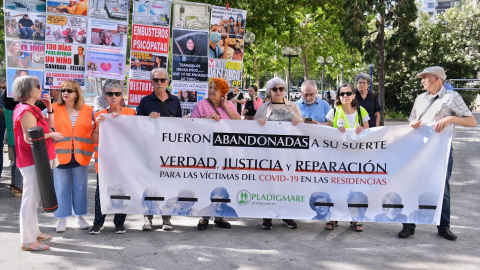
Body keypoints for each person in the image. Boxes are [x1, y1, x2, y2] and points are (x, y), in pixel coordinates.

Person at [398, 66, 476, 241]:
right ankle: (409, 225)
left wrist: (451, 119)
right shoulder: (420, 98)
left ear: (436, 78)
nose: (422, 81)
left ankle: (444, 227)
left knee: (442, 188)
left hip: (441, 151)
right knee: (413, 185)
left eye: (424, 77)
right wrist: (413, 124)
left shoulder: (452, 97)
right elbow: (411, 119)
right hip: (418, 150)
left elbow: (471, 122)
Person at [13, 76, 62, 251]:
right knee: (30, 200)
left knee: (33, 199)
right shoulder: (25, 110)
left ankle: (33, 231)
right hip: (32, 160)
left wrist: (49, 109)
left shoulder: (31, 108)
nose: (41, 89)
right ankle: (27, 240)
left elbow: (48, 127)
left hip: (38, 160)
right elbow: (30, 138)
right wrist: (52, 136)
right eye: (38, 86)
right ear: (28, 89)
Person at [191, 78, 241, 230]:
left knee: (222, 183)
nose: (211, 90)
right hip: (206, 152)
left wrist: (225, 106)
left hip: (225, 153)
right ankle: (204, 217)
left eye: (215, 89)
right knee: (207, 182)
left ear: (223, 93)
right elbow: (191, 124)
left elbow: (240, 122)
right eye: (210, 87)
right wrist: (207, 119)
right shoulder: (201, 104)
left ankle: (219, 217)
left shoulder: (229, 105)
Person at [137, 68, 182, 231]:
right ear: (151, 82)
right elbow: (137, 125)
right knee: (149, 184)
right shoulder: (145, 101)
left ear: (168, 82)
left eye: (162, 80)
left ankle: (166, 219)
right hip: (150, 150)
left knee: (166, 183)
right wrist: (148, 120)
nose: (159, 83)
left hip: (168, 151)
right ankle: (147, 218)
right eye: (156, 80)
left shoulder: (175, 101)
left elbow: (180, 126)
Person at [255, 77, 302, 230]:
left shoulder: (293, 106)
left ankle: (286, 215)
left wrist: (298, 121)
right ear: (269, 91)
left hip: (288, 154)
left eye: (281, 89)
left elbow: (302, 129)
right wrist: (259, 122)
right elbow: (253, 129)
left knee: (286, 184)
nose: (278, 92)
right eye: (274, 89)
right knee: (268, 184)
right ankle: (267, 215)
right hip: (268, 153)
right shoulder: (263, 108)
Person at [90, 80, 135, 234]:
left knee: (122, 190)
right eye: (110, 94)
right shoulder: (99, 115)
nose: (114, 96)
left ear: (122, 96)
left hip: (124, 162)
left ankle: (119, 223)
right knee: (100, 192)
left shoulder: (131, 113)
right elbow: (95, 140)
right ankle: (98, 222)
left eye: (117, 93)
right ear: (105, 97)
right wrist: (98, 126)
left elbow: (136, 135)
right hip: (105, 162)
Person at [324, 83, 369, 232]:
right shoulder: (333, 112)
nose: (345, 96)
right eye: (342, 94)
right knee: (335, 186)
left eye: (348, 93)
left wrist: (361, 131)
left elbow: (369, 135)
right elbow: (326, 133)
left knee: (355, 188)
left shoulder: (361, 111)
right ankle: (334, 218)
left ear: (353, 95)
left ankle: (355, 219)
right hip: (337, 156)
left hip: (356, 157)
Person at [52, 80, 94, 233]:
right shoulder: (53, 108)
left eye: (69, 90)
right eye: (63, 90)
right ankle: (62, 218)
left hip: (81, 155)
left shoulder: (88, 110)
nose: (65, 93)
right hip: (60, 155)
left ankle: (80, 217)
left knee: (80, 187)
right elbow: (41, 124)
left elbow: (98, 127)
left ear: (77, 93)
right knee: (61, 187)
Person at [4, 86, 24, 197]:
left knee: (15, 160)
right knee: (19, 161)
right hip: (19, 136)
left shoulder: (7, 106)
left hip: (12, 136)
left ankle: (13, 184)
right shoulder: (18, 107)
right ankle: (18, 186)